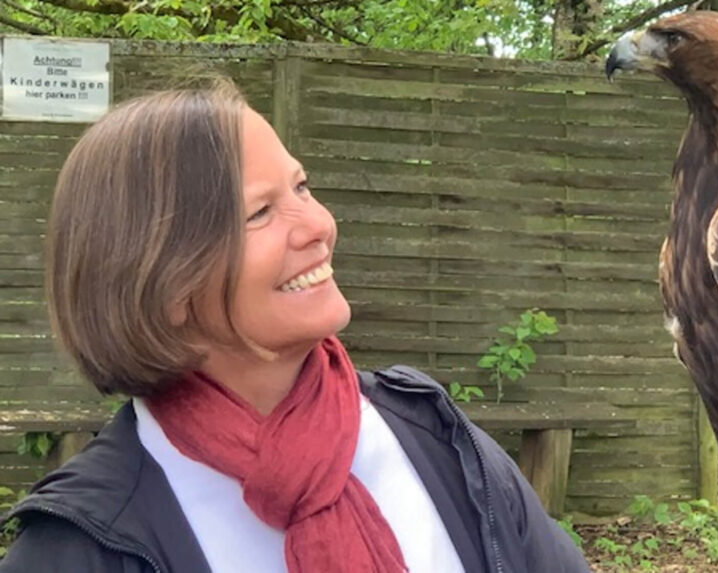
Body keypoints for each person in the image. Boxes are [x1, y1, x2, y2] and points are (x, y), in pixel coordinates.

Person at [0, 79, 590, 573]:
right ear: (164, 282)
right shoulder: (77, 549)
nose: (318, 225)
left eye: (302, 186)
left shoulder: (436, 438)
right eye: (260, 212)